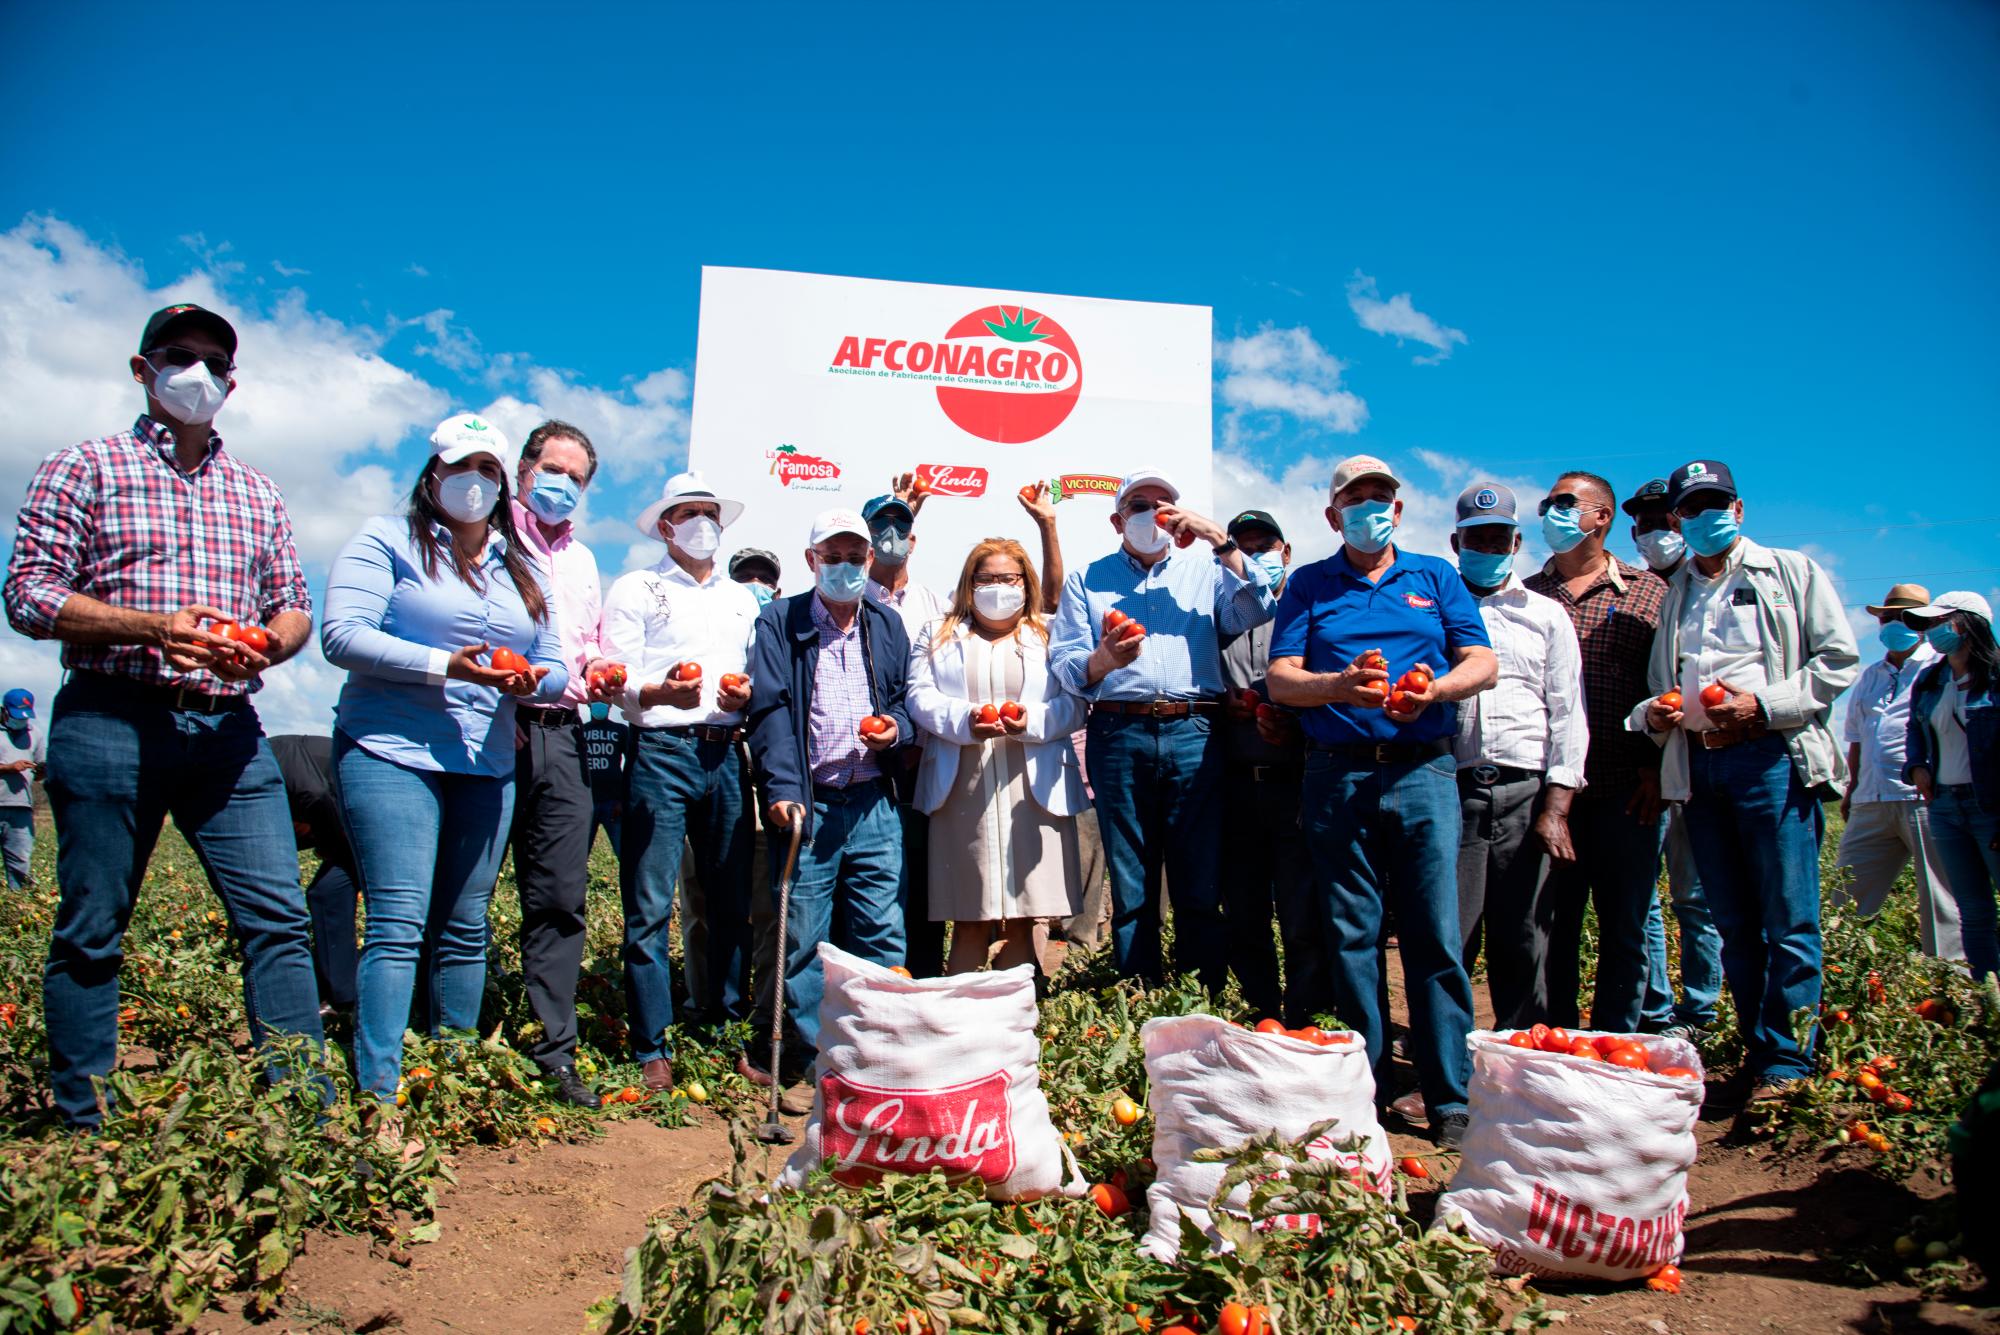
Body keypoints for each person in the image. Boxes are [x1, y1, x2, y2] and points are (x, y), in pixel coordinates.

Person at [4, 302, 326, 1127]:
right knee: (93, 923)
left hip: (227, 728)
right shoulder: (82, 466)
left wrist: (268, 645)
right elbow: (29, 593)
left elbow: (292, 604)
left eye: (215, 363)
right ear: (141, 368)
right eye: (179, 354)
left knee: (278, 919)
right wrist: (153, 628)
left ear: (232, 384)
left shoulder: (257, 490)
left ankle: (304, 1112)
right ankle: (84, 1121)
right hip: (111, 717)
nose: (198, 373)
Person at [322, 413, 568, 1151]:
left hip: (485, 762)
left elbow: (555, 663)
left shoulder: (520, 567)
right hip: (391, 750)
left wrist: (529, 680)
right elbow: (343, 634)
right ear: (433, 475)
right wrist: (446, 666)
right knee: (398, 921)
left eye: (490, 469)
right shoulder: (386, 540)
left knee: (465, 927)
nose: (476, 481)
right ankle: (381, 1094)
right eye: (463, 466)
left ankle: (452, 1076)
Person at [1266, 454, 1497, 1148]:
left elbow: (1481, 660)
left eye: (1381, 499)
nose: (1371, 510)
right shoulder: (1310, 584)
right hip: (1337, 776)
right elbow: (1281, 679)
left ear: (1397, 509)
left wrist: (1435, 691)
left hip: (1423, 771)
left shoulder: (1434, 576)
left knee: (1435, 934)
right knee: (1352, 935)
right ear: (1333, 515)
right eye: (1356, 500)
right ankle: (1365, 1090)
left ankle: (1449, 1094)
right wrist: (1338, 686)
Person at [1632, 459, 1857, 1105]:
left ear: (1738, 509)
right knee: (1733, 919)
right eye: (1691, 508)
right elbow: (1661, 682)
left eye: (1715, 504)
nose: (1704, 517)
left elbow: (1837, 659)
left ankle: (1788, 1061)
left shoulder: (1788, 572)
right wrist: (1659, 713)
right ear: (1678, 518)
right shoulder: (1677, 592)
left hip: (1770, 758)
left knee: (1788, 917)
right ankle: (1760, 1050)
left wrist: (1764, 705)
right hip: (1702, 765)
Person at [1047, 468, 1279, 993]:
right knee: (1131, 876)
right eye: (1139, 505)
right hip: (1117, 730)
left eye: (1163, 504)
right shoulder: (1088, 579)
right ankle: (1139, 993)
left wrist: (1219, 539)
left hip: (1195, 729)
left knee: (1200, 873)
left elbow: (1257, 607)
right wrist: (1103, 660)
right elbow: (1064, 662)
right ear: (1118, 521)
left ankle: (1203, 994)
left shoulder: (1207, 569)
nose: (1153, 514)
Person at [744, 507, 914, 1111]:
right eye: (832, 557)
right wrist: (782, 789)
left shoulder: (886, 624)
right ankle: (814, 1059)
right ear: (811, 560)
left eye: (854, 557)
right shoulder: (779, 621)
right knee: (803, 937)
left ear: (871, 559)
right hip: (810, 804)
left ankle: (877, 1055)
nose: (845, 567)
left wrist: (894, 730)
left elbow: (905, 702)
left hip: (873, 802)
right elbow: (768, 709)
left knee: (880, 931)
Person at [599, 472, 760, 1087]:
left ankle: (726, 1032)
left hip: (726, 753)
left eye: (710, 513)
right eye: (689, 513)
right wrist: (658, 692)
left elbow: (755, 675)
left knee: (730, 903)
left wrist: (745, 696)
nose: (703, 524)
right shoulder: (637, 587)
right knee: (648, 905)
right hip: (660, 751)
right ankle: (652, 1047)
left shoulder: (742, 599)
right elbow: (616, 674)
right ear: (665, 526)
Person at [1522, 472, 1675, 1034]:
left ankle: (1615, 1042)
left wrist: (1657, 768)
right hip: (1547, 792)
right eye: (1548, 504)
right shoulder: (1527, 595)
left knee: (1626, 925)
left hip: (1626, 789)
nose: (1552, 512)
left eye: (1566, 503)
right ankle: (1556, 1040)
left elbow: (1668, 687)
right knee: (1550, 925)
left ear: (1602, 517)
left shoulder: (1650, 592)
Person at [907, 538, 1086, 974]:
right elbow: (918, 696)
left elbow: (1075, 704)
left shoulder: (1051, 633)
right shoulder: (937, 633)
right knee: (968, 917)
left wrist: (1032, 721)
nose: (998, 587)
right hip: (961, 787)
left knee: (1025, 915)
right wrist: (965, 720)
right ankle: (961, 1007)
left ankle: (1016, 1007)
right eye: (985, 579)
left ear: (1026, 583)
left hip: (1033, 788)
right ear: (969, 584)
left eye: (1009, 578)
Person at [1450, 485, 1586, 1037]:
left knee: (1525, 934)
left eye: (1498, 538)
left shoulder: (1546, 615)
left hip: (1525, 793)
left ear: (1516, 542)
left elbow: (1568, 712)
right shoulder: (1437, 607)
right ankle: (1451, 1060)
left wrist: (1556, 806)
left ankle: (1520, 1054)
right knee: (1450, 934)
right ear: (1456, 543)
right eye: (1476, 539)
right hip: (1453, 789)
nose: (1488, 547)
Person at [507, 420, 613, 1108]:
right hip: (498, 726)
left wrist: (601, 668)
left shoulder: (582, 561)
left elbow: (590, 644)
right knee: (462, 890)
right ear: (523, 469)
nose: (563, 485)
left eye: (577, 478)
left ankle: (554, 1050)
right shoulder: (490, 537)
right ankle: (443, 1037)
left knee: (559, 897)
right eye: (553, 470)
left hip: (565, 733)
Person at [1619, 476, 1722, 1037]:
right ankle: (1656, 1011)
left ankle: (1701, 1009)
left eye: (1664, 520)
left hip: (1699, 759)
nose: (1655, 531)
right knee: (1646, 900)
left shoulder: (1700, 588)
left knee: (1695, 893)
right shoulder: (1633, 591)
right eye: (1645, 523)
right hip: (1647, 764)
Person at [1215, 510, 1320, 1023]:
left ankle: (1306, 1015)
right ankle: (1259, 1011)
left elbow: (1331, 689)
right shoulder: (1215, 618)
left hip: (1296, 781)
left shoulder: (1310, 612)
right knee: (1244, 909)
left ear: (1286, 553)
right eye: (1244, 548)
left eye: (1265, 547)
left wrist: (1296, 723)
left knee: (1303, 909)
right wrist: (1224, 702)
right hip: (1235, 785)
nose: (1256, 557)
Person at [1836, 583, 1962, 959]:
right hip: (1871, 799)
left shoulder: (1940, 668)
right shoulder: (1871, 675)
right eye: (1888, 617)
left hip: (1924, 798)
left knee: (1942, 901)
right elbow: (1856, 738)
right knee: (1845, 898)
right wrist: (1852, 789)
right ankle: (1842, 977)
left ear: (1924, 623)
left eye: (1905, 618)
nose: (1894, 624)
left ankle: (1952, 983)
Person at [861, 490, 950, 978]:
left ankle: (925, 978)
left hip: (922, 764)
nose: (890, 536)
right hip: (865, 763)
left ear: (913, 541)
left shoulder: (936, 605)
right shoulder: (847, 599)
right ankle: (870, 980)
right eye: (879, 527)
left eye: (900, 527)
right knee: (871, 879)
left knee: (923, 877)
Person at [1904, 592, 2000, 979]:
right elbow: (1915, 729)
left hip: (1991, 806)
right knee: (1972, 910)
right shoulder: (1930, 680)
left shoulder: (1996, 676)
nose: (1931, 631)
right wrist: (1916, 767)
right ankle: (1987, 997)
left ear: (1968, 624)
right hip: (1944, 806)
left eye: (1939, 622)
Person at [268, 733, 359, 1016]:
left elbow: (315, 795)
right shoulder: (271, 756)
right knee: (326, 894)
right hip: (348, 820)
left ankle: (344, 997)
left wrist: (328, 846)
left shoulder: (277, 756)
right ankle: (341, 995)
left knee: (329, 893)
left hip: (367, 815)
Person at [0, 689, 46, 889]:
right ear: (4, 711)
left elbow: (39, 774)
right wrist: (8, 768)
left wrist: (42, 771)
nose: (21, 721)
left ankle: (18, 902)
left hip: (21, 807)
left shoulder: (35, 734)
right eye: (17, 716)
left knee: (20, 864)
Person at [581, 701, 629, 854]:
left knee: (625, 853)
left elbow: (632, 765)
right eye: (595, 702)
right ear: (588, 704)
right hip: (586, 802)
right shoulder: (579, 731)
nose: (600, 706)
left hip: (614, 803)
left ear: (610, 705)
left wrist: (623, 800)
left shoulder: (620, 730)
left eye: (604, 702)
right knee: (578, 854)